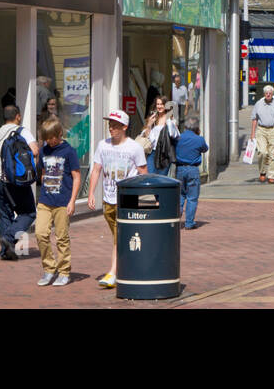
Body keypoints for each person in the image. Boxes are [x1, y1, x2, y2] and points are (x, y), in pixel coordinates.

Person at [86, 110, 147, 288]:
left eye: (115, 125)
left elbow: (144, 173)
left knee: (118, 237)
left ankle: (113, 272)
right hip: (108, 199)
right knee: (119, 237)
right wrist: (91, 193)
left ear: (125, 127)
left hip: (127, 200)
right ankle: (131, 266)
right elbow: (96, 169)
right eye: (110, 124)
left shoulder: (134, 148)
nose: (111, 128)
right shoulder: (103, 145)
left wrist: (145, 200)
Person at [0, 104, 39, 262]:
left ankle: (5, 251)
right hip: (15, 181)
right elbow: (35, 151)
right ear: (17, 116)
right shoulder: (22, 131)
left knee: (5, 216)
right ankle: (9, 239)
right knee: (29, 212)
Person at [35, 116, 81, 286]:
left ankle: (64, 272)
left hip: (63, 201)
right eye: (46, 139)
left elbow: (76, 177)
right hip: (45, 200)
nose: (49, 141)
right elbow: (42, 172)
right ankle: (49, 269)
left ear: (59, 133)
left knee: (62, 238)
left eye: (51, 138)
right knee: (40, 233)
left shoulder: (69, 151)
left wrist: (72, 201)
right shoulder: (44, 150)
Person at [175, 115, 208, 229]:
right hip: (193, 169)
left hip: (179, 169)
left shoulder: (178, 138)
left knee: (180, 195)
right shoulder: (199, 139)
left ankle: (176, 220)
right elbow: (205, 149)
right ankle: (189, 223)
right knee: (192, 197)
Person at [250, 84, 274, 183]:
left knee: (273, 153)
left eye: (270, 93)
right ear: (264, 94)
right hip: (261, 129)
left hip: (273, 129)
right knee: (262, 152)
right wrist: (252, 133)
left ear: (272, 94)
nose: (268, 95)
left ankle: (271, 175)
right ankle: (262, 172)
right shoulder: (259, 103)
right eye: (266, 93)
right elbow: (254, 118)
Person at [145, 96, 179, 176]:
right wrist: (149, 125)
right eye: (157, 104)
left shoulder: (171, 119)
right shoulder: (153, 118)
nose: (159, 106)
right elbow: (147, 136)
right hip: (152, 152)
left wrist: (169, 123)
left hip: (164, 153)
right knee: (150, 176)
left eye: (161, 104)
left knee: (161, 178)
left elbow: (175, 135)